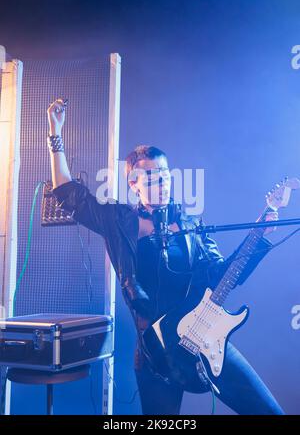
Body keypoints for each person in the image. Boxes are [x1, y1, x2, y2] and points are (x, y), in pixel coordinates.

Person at [47, 98, 284, 415]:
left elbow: (224, 275)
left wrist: (258, 235)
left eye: (165, 174)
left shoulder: (191, 225)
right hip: (157, 352)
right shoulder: (120, 222)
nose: (162, 181)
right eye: (152, 176)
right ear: (133, 184)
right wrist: (55, 134)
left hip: (206, 338)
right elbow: (67, 193)